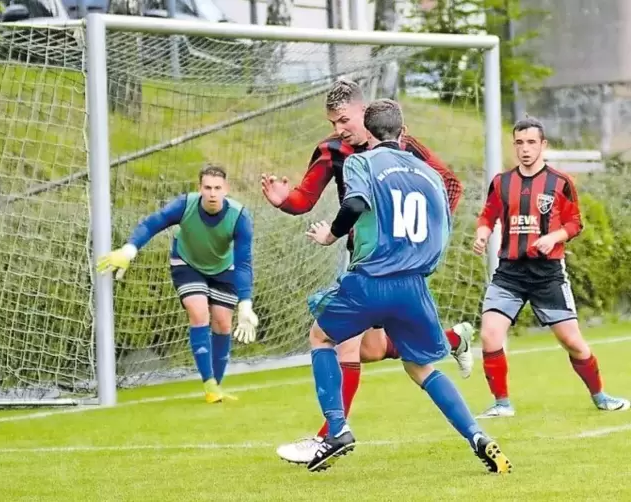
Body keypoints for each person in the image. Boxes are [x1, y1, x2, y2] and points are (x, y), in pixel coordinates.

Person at [262, 78, 474, 464]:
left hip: (398, 263)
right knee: (371, 349)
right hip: (362, 261)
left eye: (343, 119)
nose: (338, 129)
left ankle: (331, 435)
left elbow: (450, 185)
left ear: (365, 112)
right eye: (332, 123)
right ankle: (452, 340)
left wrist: (418, 239)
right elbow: (304, 198)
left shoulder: (404, 148)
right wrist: (284, 202)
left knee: (335, 340)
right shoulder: (332, 151)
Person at [302, 98, 511, 474]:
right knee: (421, 367)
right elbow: (441, 229)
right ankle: (478, 435)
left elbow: (354, 204)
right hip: (413, 286)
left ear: (368, 130)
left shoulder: (360, 161)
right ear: (403, 130)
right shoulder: (428, 173)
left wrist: (330, 236)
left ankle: (336, 430)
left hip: (370, 279)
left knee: (321, 337)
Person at [473, 117, 630, 418]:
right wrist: (482, 233)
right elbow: (487, 216)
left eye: (531, 142)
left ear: (543, 145)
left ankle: (600, 396)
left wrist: (553, 237)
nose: (525, 149)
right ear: (514, 145)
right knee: (490, 335)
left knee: (571, 341)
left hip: (548, 275)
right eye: (519, 142)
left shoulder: (560, 182)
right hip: (510, 273)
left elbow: (575, 223)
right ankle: (502, 404)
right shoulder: (502, 183)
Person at [97, 165, 259, 403]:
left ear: (226, 189)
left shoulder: (240, 217)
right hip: (187, 263)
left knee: (223, 324)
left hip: (224, 269)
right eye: (207, 188)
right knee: (199, 313)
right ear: (199, 188)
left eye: (217, 188)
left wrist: (245, 304)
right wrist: (130, 249)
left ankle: (218, 385)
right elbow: (152, 223)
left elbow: (243, 262)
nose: (212, 193)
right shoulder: (185, 205)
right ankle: (209, 384)